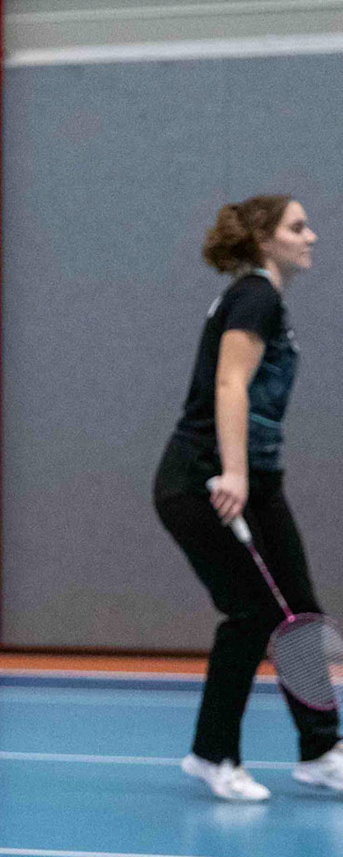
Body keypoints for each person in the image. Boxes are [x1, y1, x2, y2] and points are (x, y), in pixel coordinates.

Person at [153, 195, 343, 801]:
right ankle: (213, 755)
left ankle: (321, 751)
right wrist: (233, 472)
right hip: (203, 480)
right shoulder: (255, 296)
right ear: (265, 240)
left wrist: (250, 474)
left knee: (299, 613)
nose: (311, 236)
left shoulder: (265, 300)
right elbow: (230, 382)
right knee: (253, 613)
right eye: (297, 227)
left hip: (259, 479)